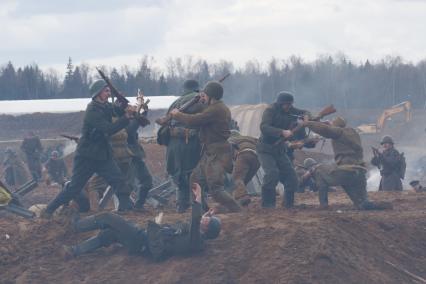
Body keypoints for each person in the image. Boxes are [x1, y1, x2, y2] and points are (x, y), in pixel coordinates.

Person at [40, 79, 134, 218]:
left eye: (109, 91)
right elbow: (108, 129)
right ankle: (48, 210)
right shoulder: (92, 110)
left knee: (118, 180)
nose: (109, 93)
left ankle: (126, 208)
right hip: (87, 157)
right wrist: (126, 118)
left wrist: (125, 107)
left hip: (102, 155)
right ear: (98, 94)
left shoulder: (104, 105)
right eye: (106, 91)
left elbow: (115, 110)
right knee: (74, 188)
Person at [64, 183, 221, 260]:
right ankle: (74, 251)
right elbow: (194, 223)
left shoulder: (197, 239)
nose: (203, 219)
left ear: (207, 227)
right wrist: (207, 213)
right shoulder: (198, 238)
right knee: (108, 234)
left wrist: (199, 198)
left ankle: (76, 225)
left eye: (206, 220)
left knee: (109, 217)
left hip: (144, 241)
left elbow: (194, 223)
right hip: (145, 241)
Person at [170, 81, 241, 213]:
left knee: (215, 188)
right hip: (210, 151)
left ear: (211, 96)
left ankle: (236, 210)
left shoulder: (216, 109)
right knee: (195, 180)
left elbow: (195, 120)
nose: (202, 98)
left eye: (205, 95)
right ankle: (202, 210)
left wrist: (178, 115)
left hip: (217, 152)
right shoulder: (216, 107)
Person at [301, 116, 392, 210]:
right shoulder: (353, 132)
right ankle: (374, 205)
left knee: (318, 169)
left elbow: (326, 130)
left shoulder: (338, 132)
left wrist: (308, 123)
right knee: (362, 204)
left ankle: (323, 205)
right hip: (360, 173)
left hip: (347, 172)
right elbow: (333, 130)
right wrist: (328, 124)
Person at [256, 91, 312, 208]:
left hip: (280, 149)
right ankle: (268, 206)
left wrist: (306, 117)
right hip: (265, 149)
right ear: (280, 103)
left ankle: (288, 205)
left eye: (290, 104)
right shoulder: (270, 110)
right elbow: (264, 127)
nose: (289, 107)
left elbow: (304, 112)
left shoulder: (290, 109)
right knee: (272, 174)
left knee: (291, 177)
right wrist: (281, 132)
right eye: (286, 104)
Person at [160, 80, 204, 213]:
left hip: (173, 145)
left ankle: (181, 206)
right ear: (197, 89)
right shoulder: (200, 100)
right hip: (190, 143)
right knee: (194, 175)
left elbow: (165, 124)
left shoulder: (175, 103)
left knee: (179, 176)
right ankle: (198, 206)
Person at [126, 116, 153, 210]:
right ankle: (124, 206)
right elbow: (129, 131)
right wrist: (137, 119)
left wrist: (142, 113)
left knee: (147, 181)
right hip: (125, 156)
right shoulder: (118, 119)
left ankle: (139, 205)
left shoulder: (128, 118)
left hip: (135, 155)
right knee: (127, 184)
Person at [228, 130, 260, 206]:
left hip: (243, 154)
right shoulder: (250, 138)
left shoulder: (232, 139)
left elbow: (229, 149)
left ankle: (242, 197)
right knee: (243, 180)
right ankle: (239, 198)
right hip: (257, 158)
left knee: (236, 178)